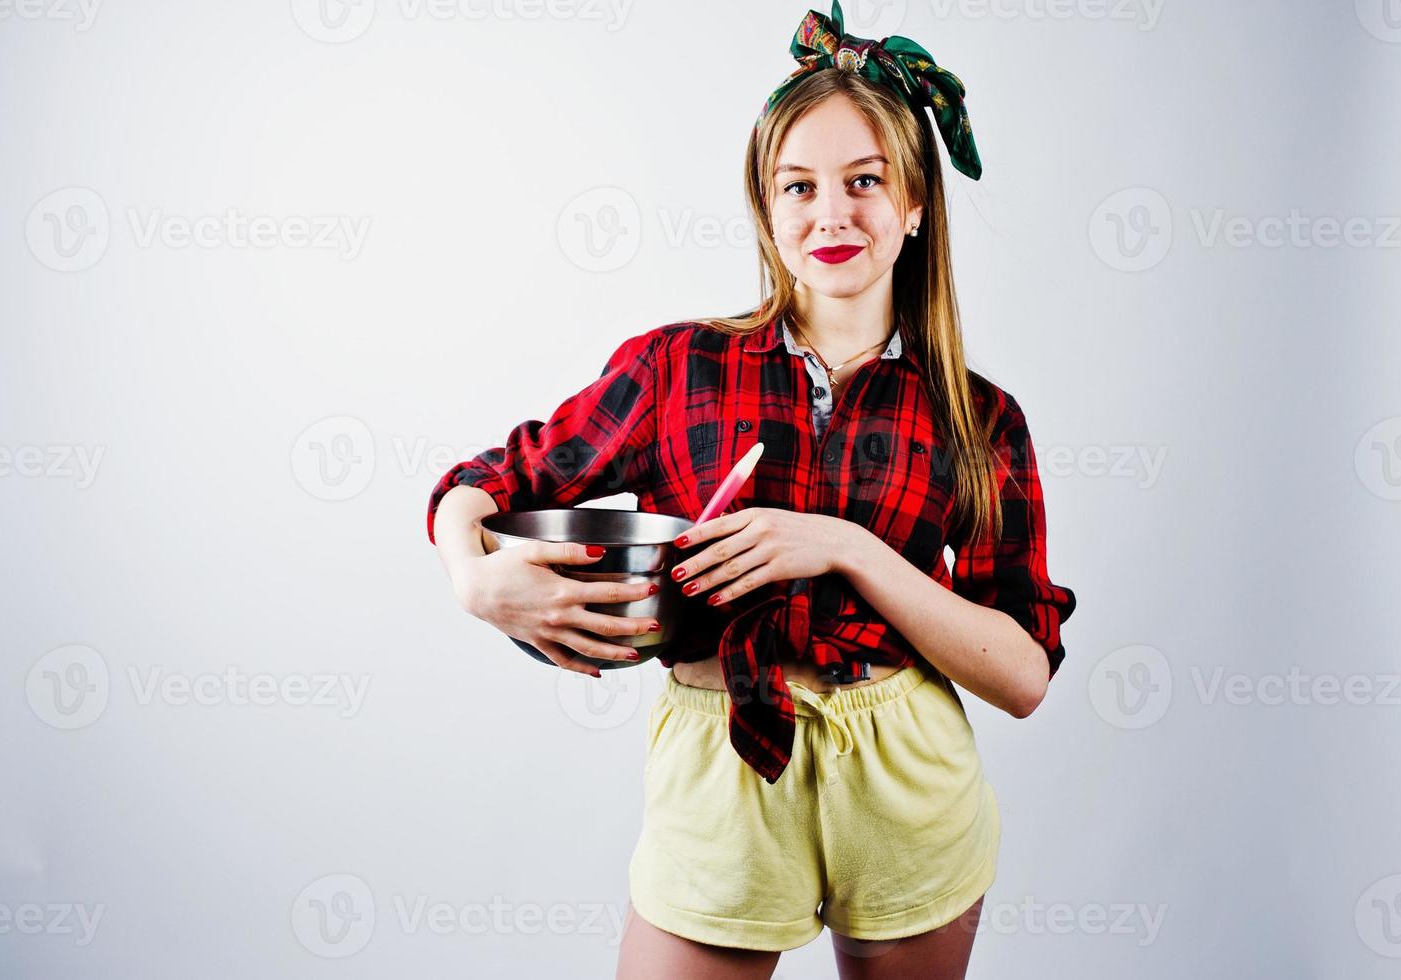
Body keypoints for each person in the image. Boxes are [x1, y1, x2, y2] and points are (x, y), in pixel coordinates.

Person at [426, 4, 1077, 977]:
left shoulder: (980, 418)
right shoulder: (675, 367)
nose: (831, 213)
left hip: (906, 773)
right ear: (767, 211)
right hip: (720, 770)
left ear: (913, 207)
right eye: (798, 185)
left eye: (865, 183)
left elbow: (1022, 673)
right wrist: (472, 580)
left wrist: (844, 545)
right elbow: (485, 483)